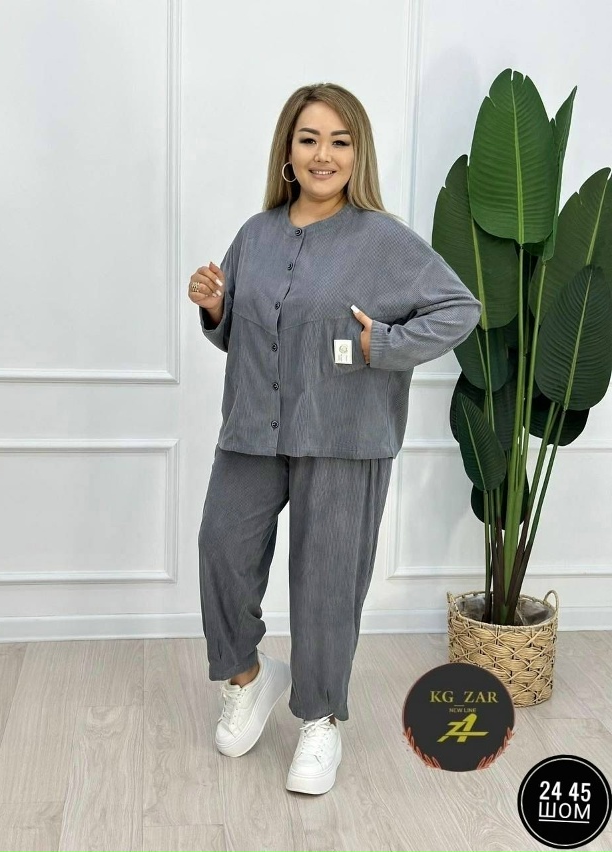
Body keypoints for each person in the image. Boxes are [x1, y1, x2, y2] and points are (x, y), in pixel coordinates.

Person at [188, 82, 483, 795]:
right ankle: (247, 677)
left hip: (346, 434)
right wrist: (219, 308)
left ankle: (320, 721)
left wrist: (386, 345)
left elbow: (460, 308)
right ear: (288, 152)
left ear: (358, 154)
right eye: (310, 139)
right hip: (253, 428)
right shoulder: (256, 234)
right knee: (221, 547)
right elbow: (248, 335)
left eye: (340, 141)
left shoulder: (383, 240)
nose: (324, 154)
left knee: (326, 583)